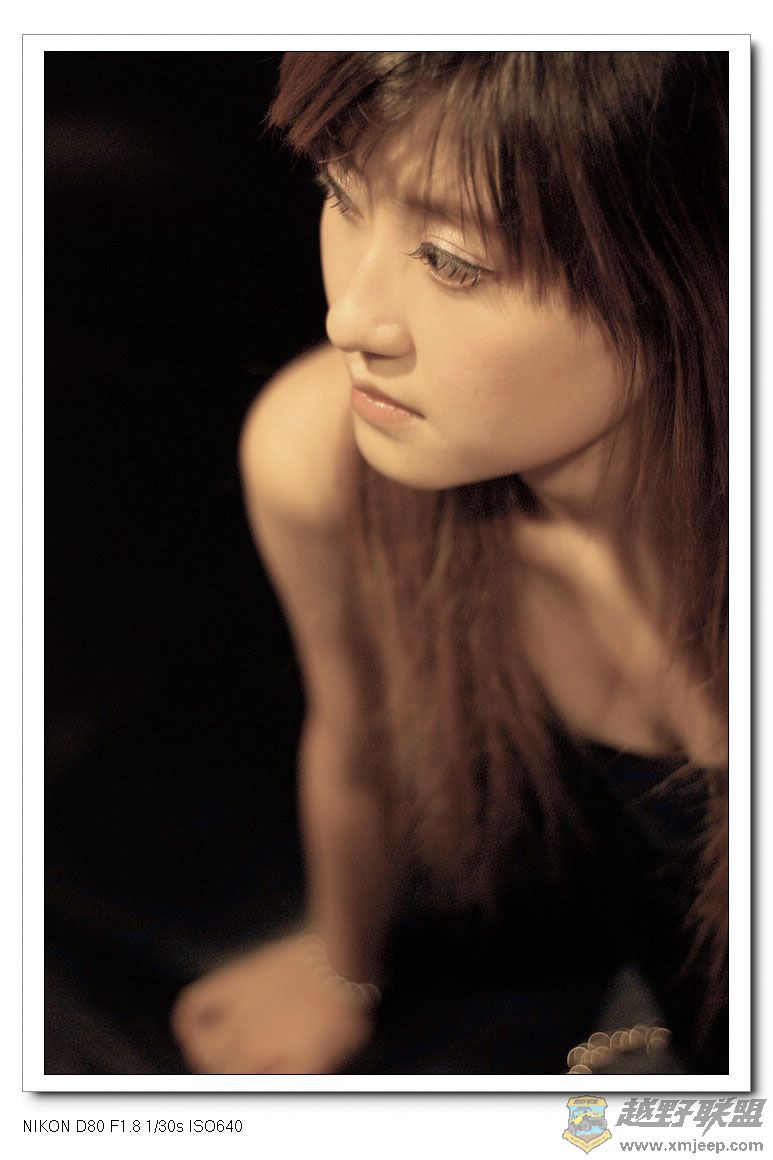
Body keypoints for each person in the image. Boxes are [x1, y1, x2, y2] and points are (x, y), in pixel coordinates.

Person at [171, 51, 729, 1075]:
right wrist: (341, 969)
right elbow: (355, 736)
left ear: (690, 270)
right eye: (341, 196)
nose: (349, 319)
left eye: (452, 259)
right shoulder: (319, 457)